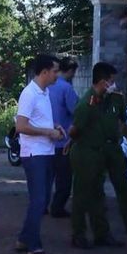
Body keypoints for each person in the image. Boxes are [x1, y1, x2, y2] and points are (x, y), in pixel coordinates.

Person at [68, 62, 127, 250]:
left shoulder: (116, 99)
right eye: (111, 81)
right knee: (82, 195)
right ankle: (78, 234)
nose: (114, 84)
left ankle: (103, 233)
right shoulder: (87, 102)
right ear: (103, 82)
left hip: (108, 149)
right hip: (87, 152)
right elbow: (75, 130)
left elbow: (123, 122)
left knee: (103, 194)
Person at [14, 54, 63, 254]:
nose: (57, 75)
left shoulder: (44, 92)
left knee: (41, 199)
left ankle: (25, 238)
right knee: (39, 200)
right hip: (34, 154)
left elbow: (37, 121)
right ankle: (33, 245)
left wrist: (53, 127)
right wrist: (48, 132)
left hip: (45, 151)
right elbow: (21, 126)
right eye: (55, 71)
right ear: (44, 72)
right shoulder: (30, 93)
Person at [46, 57, 79, 218]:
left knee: (47, 177)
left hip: (45, 139)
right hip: (63, 140)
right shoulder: (67, 88)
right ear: (71, 71)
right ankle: (57, 207)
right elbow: (77, 111)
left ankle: (42, 205)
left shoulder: (46, 86)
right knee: (64, 178)